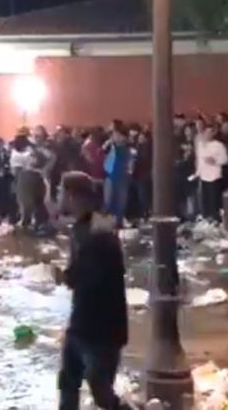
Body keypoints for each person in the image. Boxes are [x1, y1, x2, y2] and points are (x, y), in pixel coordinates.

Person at [57, 172, 129, 410]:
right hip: (83, 321)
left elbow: (92, 278)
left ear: (73, 196)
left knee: (101, 391)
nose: (58, 196)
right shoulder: (81, 228)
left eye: (61, 191)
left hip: (102, 328)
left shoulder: (99, 232)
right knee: (68, 382)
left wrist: (67, 277)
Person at [196, 124, 228, 221]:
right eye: (206, 132)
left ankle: (216, 219)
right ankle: (206, 218)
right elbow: (199, 160)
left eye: (210, 132)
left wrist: (215, 161)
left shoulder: (219, 145)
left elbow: (225, 160)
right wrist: (197, 172)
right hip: (203, 175)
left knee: (214, 200)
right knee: (204, 200)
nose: (208, 134)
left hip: (214, 176)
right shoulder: (200, 145)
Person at [102, 128, 132, 227]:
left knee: (120, 203)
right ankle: (108, 224)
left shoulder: (127, 149)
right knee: (108, 202)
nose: (115, 137)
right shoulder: (111, 148)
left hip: (121, 178)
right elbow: (103, 157)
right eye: (114, 135)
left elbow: (130, 164)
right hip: (110, 177)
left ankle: (118, 223)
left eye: (117, 135)